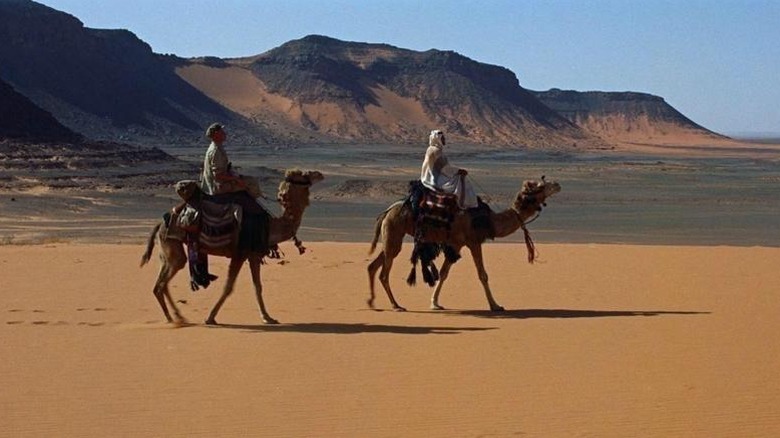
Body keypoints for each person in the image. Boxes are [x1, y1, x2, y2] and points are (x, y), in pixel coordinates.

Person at [420, 129, 478, 209]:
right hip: (434, 178)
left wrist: (456, 170)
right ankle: (463, 204)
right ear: (437, 139)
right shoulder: (435, 151)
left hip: (437, 174)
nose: (444, 140)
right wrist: (458, 171)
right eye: (442, 138)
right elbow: (444, 168)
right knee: (460, 180)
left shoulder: (435, 149)